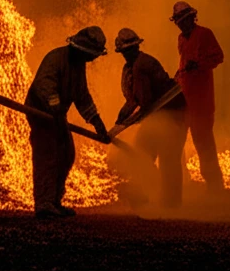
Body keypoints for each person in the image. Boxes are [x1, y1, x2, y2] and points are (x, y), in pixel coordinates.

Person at [24, 26, 110, 218]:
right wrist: (54, 108)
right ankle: (44, 204)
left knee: (66, 154)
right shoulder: (55, 58)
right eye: (92, 55)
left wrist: (96, 121)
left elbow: (81, 96)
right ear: (83, 50)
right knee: (48, 157)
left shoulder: (78, 65)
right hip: (41, 113)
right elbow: (43, 86)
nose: (93, 59)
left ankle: (54, 201)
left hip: (57, 116)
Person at [113, 28, 187, 208]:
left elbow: (144, 101)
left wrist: (124, 122)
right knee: (142, 152)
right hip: (157, 113)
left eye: (131, 49)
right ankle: (142, 193)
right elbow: (132, 100)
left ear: (136, 47)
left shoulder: (142, 65)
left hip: (173, 111)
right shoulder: (129, 68)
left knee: (169, 157)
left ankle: (172, 204)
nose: (128, 53)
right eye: (125, 50)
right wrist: (118, 123)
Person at [170, 1, 225, 194]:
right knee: (176, 143)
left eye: (184, 20)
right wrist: (177, 78)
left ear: (192, 18)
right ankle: (181, 185)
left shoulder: (205, 34)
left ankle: (215, 188)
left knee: (204, 145)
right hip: (184, 101)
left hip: (201, 103)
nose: (181, 25)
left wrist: (199, 64)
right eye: (178, 22)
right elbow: (184, 64)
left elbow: (218, 56)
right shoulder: (181, 39)